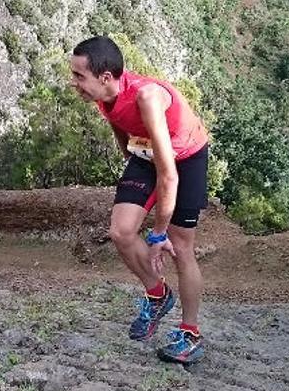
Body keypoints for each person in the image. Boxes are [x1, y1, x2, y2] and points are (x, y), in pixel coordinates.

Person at [70, 36, 210, 365]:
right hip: (146, 154)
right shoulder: (102, 96)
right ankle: (157, 294)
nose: (73, 82)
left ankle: (190, 334)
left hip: (185, 159)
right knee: (121, 231)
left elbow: (170, 175)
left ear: (105, 77)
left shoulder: (146, 97)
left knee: (181, 247)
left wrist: (159, 233)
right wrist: (130, 165)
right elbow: (119, 123)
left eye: (79, 76)